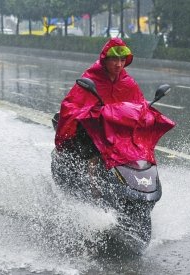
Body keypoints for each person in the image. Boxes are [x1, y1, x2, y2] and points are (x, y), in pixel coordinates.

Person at [52, 37, 148, 198]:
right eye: (114, 60)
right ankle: (94, 193)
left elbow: (139, 105)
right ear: (105, 59)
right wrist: (91, 113)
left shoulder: (128, 83)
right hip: (92, 134)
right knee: (95, 158)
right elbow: (71, 105)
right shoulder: (91, 79)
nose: (118, 64)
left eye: (122, 60)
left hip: (118, 135)